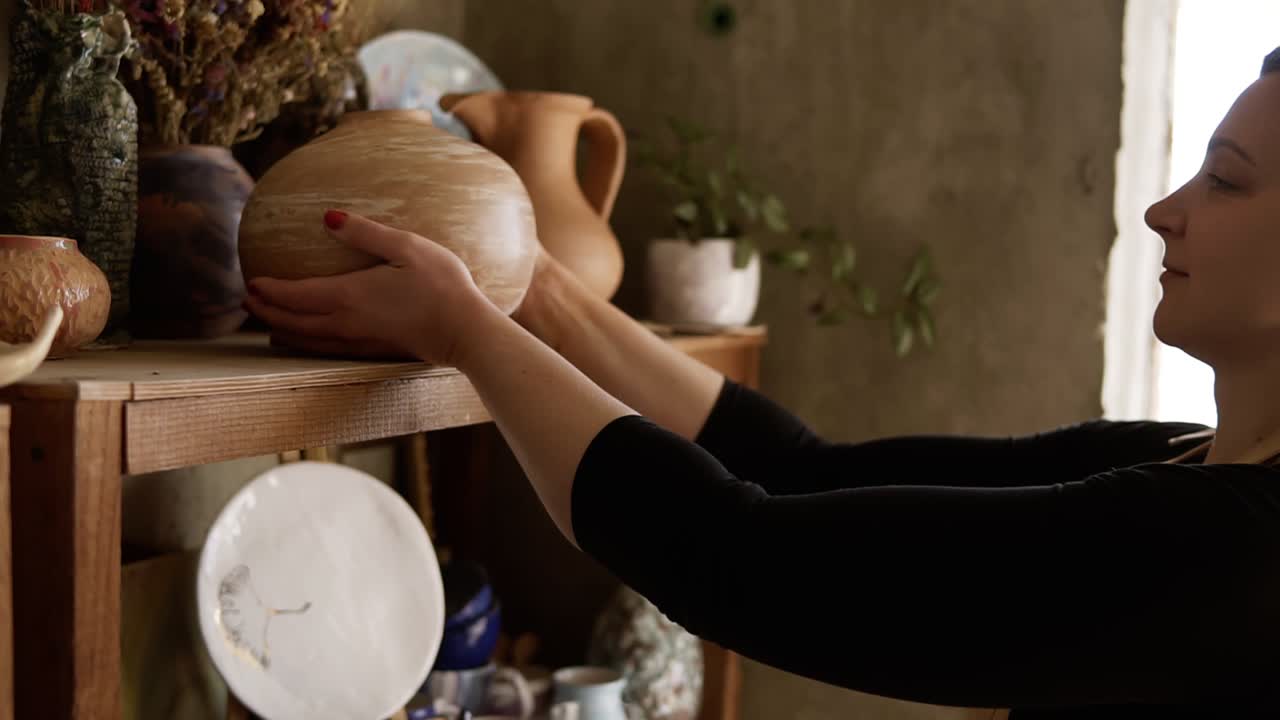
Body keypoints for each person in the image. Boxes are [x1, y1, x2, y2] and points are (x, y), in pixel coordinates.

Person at [244, 48, 1280, 717]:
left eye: (1226, 180)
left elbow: (729, 559)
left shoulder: (1226, 551)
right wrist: (535, 287)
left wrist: (467, 330)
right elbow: (800, 470)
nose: (1165, 211)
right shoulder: (1168, 458)